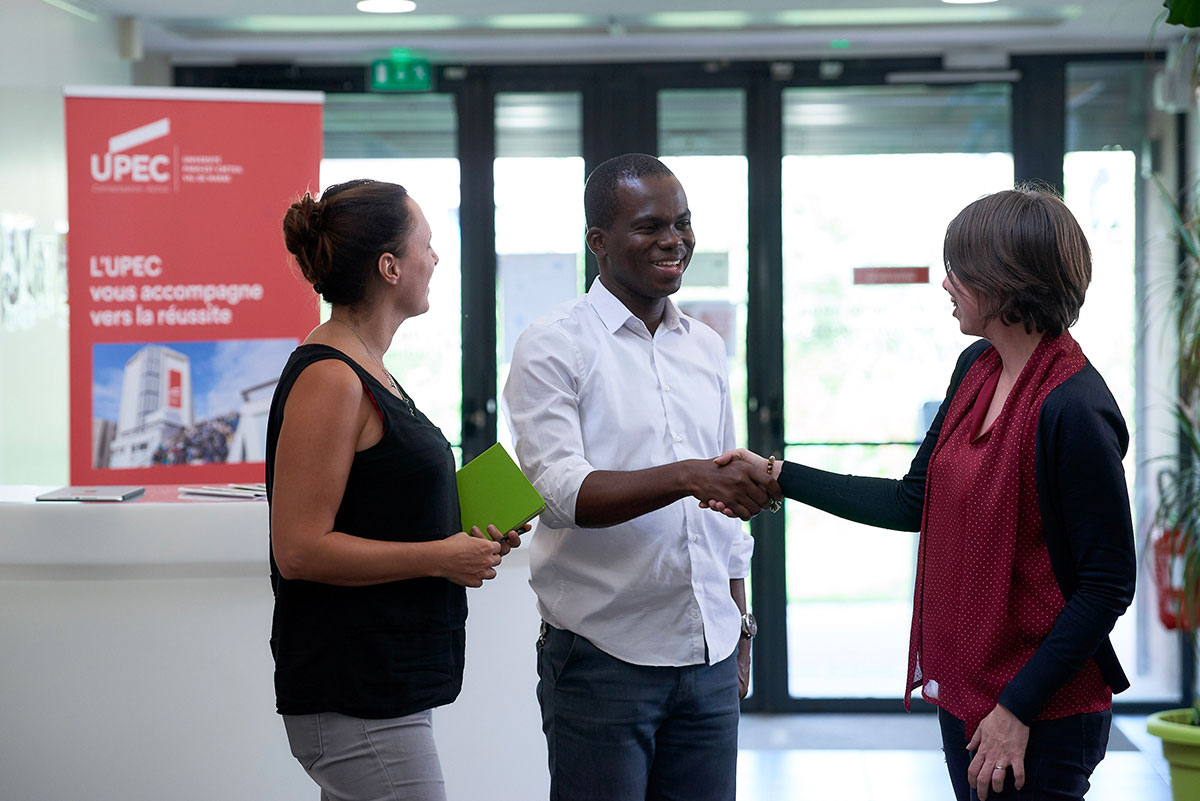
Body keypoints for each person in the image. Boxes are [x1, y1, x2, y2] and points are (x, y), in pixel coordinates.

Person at [710, 187, 1136, 801]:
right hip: (970, 689)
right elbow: (914, 501)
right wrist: (780, 477)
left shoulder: (1074, 406)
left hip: (1042, 709)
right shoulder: (976, 368)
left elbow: (1105, 584)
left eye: (958, 270)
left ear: (1006, 280)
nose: (946, 284)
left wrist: (1016, 709)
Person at [501, 153, 782, 801]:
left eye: (683, 223)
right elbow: (561, 494)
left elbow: (727, 505)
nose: (674, 239)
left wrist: (739, 624)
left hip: (709, 655)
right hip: (603, 656)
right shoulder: (553, 344)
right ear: (598, 242)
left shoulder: (704, 346)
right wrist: (688, 476)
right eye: (650, 225)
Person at [268, 178, 525, 801]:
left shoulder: (367, 366)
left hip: (381, 683)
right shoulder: (331, 377)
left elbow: (380, 505)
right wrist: (440, 556)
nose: (434, 260)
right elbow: (300, 550)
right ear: (388, 266)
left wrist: (466, 533)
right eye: (426, 246)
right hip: (355, 690)